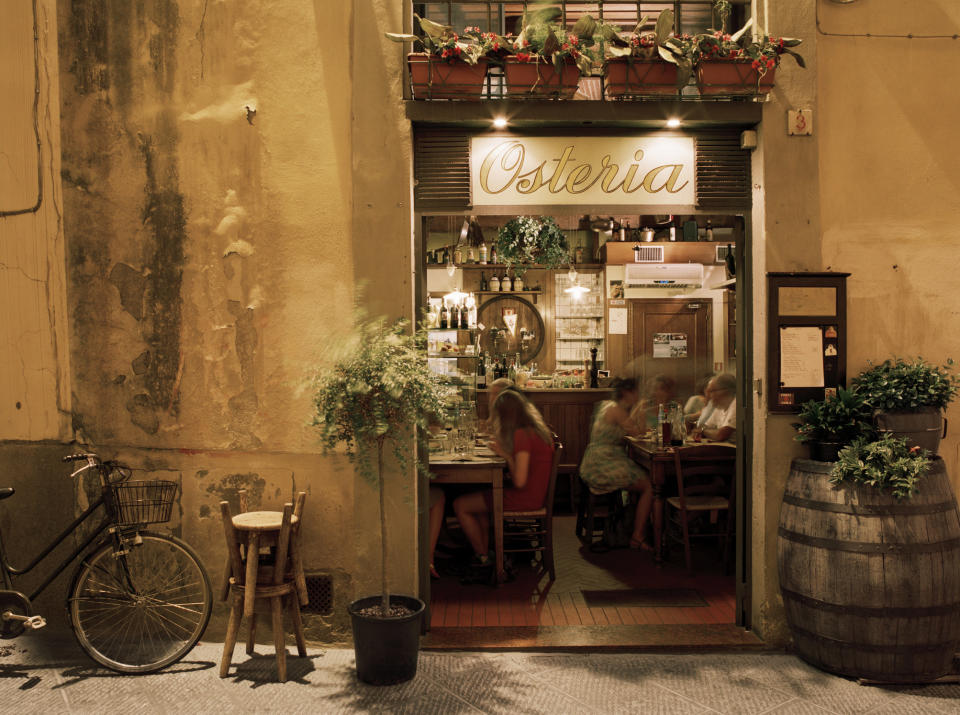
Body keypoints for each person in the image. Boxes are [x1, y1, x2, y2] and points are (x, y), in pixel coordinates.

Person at [453, 389, 555, 573]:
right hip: (534, 494)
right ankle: (485, 553)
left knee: (460, 504)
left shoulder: (523, 435)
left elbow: (520, 482)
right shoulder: (536, 430)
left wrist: (506, 456)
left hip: (525, 498)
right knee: (478, 501)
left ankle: (484, 558)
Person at [579, 377, 654, 551]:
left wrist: (637, 410)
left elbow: (631, 427)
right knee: (650, 486)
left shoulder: (607, 405)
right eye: (636, 392)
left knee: (643, 475)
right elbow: (638, 432)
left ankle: (631, 526)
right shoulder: (616, 409)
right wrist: (641, 409)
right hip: (603, 464)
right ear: (628, 393)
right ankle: (638, 536)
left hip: (595, 460)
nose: (639, 395)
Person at [692, 373, 736, 443]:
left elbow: (720, 435)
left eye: (713, 391)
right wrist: (703, 431)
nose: (709, 395)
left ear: (725, 391)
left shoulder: (736, 404)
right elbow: (703, 426)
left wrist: (703, 431)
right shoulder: (719, 406)